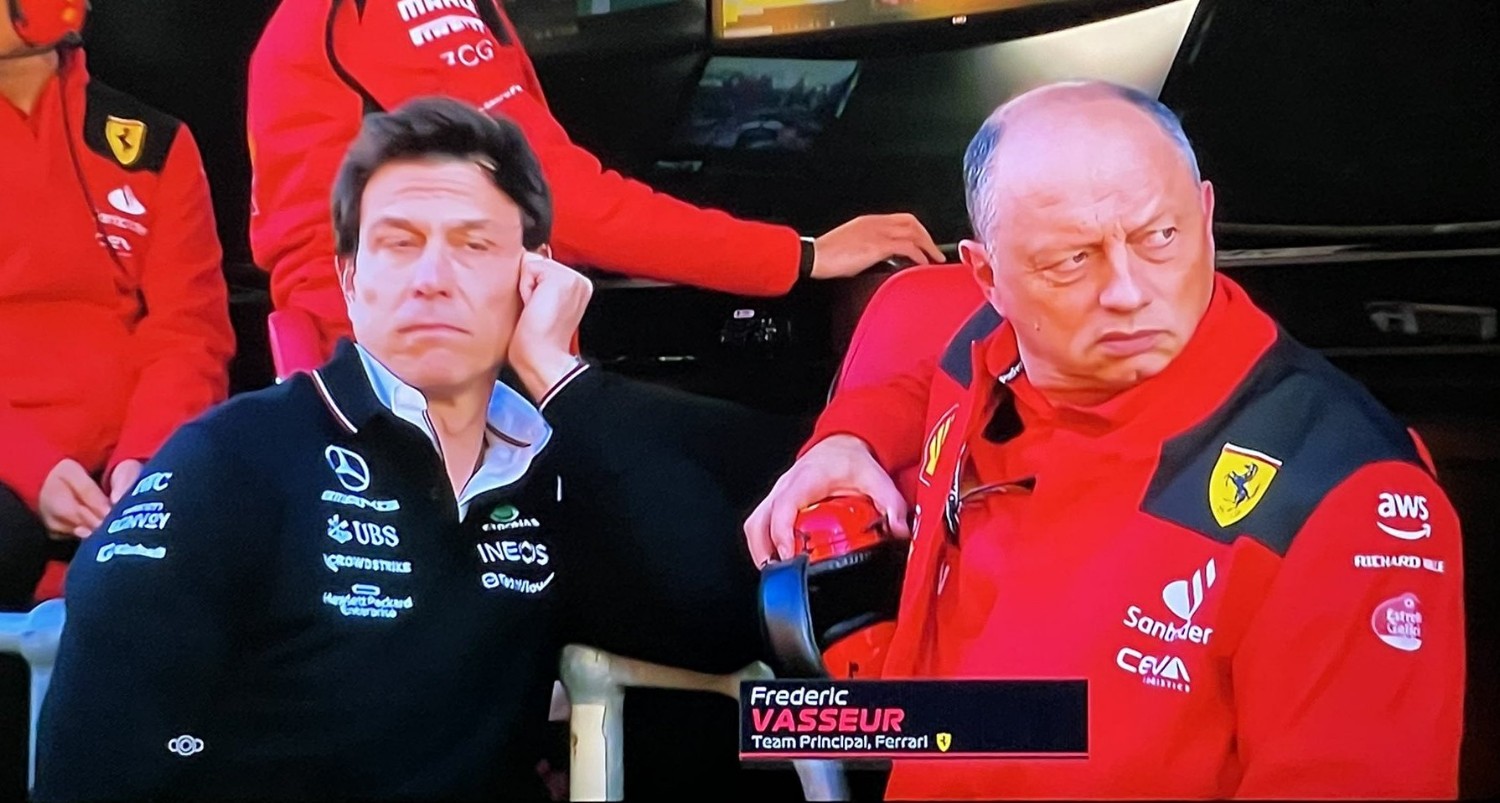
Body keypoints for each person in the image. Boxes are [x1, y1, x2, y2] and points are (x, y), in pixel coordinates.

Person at [34, 95, 792, 802]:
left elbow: (715, 625)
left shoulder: (555, 475)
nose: (433, 278)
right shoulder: (228, 462)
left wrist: (563, 379)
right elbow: (93, 765)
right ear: (351, 280)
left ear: (537, 277)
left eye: (473, 244)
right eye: (399, 244)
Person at [744, 80, 1466, 798]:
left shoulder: (1341, 493)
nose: (1127, 291)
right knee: (765, 726)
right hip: (973, 729)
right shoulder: (988, 351)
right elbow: (925, 372)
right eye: (1071, 260)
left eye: (1161, 237)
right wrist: (842, 441)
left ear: (1207, 215)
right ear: (988, 277)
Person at [246, 0, 945, 362]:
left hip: (411, 388)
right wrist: (806, 255)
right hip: (440, 399)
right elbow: (567, 205)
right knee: (773, 473)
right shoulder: (404, 9)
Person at [2, 3, 234, 795]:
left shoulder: (154, 144)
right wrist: (35, 474)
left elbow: (191, 334)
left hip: (123, 482)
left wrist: (145, 462)